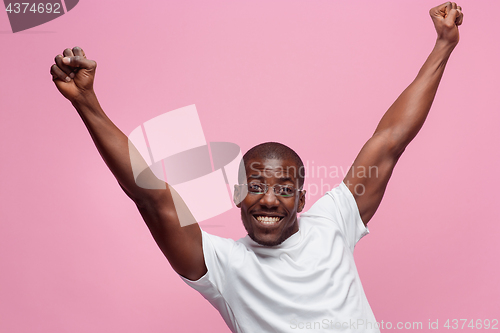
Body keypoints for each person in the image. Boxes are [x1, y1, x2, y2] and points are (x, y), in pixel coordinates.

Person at [50, 2, 463, 332]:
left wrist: (443, 45)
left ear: (302, 198)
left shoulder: (333, 219)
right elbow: (151, 197)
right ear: (235, 195)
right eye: (256, 185)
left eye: (284, 188)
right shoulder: (222, 266)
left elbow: (390, 140)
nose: (268, 197)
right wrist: (87, 103)